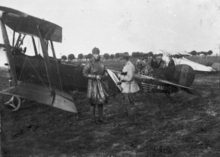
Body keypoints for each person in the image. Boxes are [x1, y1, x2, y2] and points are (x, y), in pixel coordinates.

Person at [83, 47, 109, 124]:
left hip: (101, 85)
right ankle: (93, 119)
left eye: (97, 53)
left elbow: (105, 71)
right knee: (93, 102)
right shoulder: (89, 63)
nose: (96, 55)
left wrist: (105, 75)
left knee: (101, 102)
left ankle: (101, 118)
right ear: (92, 54)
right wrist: (95, 76)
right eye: (95, 54)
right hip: (92, 85)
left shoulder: (101, 62)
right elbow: (84, 73)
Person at [117, 54, 140, 118]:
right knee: (129, 103)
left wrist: (120, 76)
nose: (120, 62)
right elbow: (126, 74)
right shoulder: (127, 65)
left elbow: (130, 78)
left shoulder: (129, 66)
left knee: (130, 103)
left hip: (130, 88)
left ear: (125, 59)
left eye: (121, 60)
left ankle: (132, 118)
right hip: (127, 87)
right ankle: (130, 115)